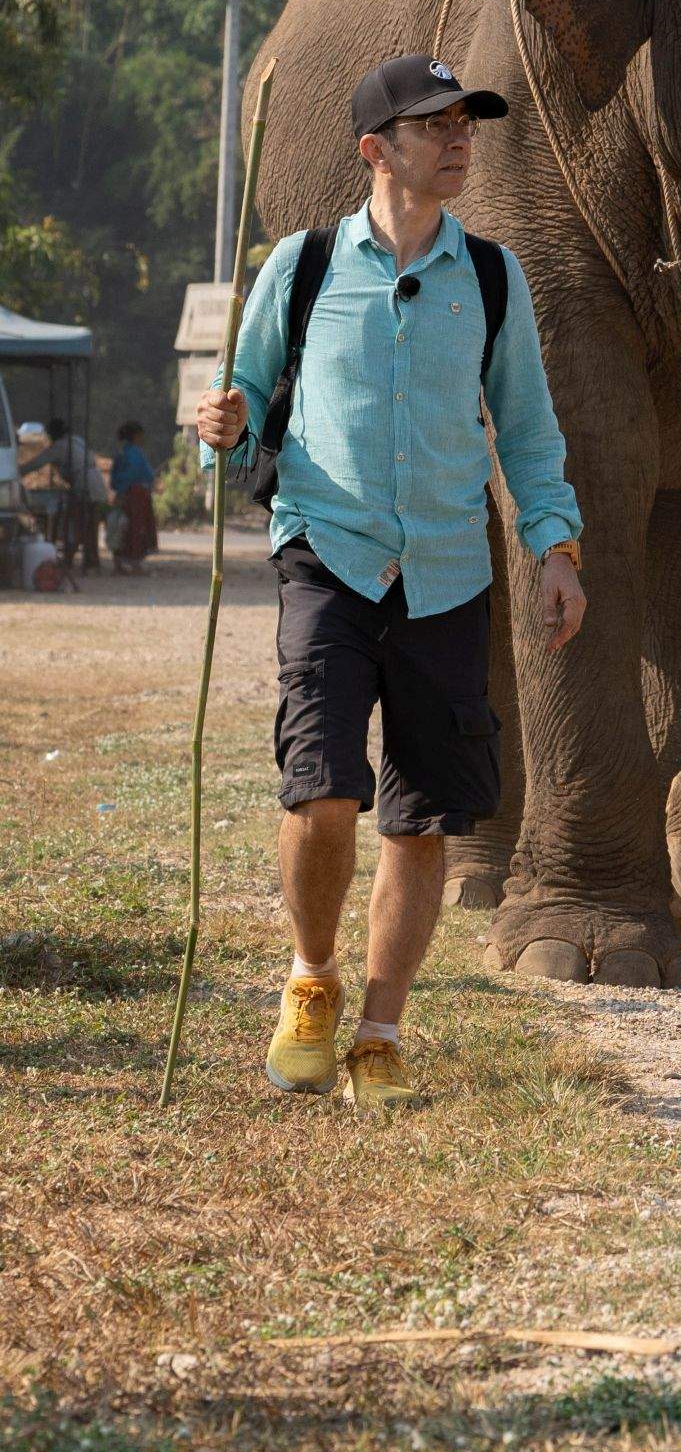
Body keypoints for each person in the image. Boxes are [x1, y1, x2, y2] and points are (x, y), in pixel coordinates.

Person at [198, 53, 586, 1112]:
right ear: (376, 148)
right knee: (320, 792)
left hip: (449, 576)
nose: (460, 138)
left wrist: (555, 550)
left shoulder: (494, 278)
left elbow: (531, 432)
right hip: (327, 554)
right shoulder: (303, 264)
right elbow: (245, 394)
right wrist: (222, 425)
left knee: (417, 823)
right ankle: (313, 980)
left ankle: (379, 1029)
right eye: (435, 124)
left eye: (468, 122)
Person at [42, 414, 106, 573]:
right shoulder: (76, 440)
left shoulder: (59, 447)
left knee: (78, 524)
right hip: (96, 482)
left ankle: (69, 559)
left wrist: (17, 471)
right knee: (91, 525)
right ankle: (92, 561)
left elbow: (37, 462)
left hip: (85, 485)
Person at [109, 419, 159, 572]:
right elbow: (134, 474)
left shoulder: (123, 452)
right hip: (136, 495)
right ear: (136, 436)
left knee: (121, 527)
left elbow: (115, 477)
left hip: (126, 494)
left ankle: (119, 562)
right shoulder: (134, 453)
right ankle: (135, 564)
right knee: (137, 528)